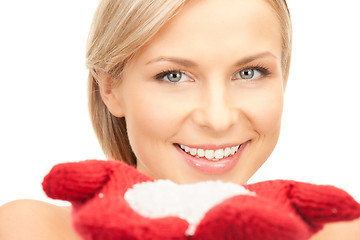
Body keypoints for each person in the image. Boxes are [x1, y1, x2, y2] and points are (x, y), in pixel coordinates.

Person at [0, 0, 359, 239]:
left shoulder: (343, 232)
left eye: (249, 72)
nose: (218, 119)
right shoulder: (31, 229)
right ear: (109, 88)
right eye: (173, 76)